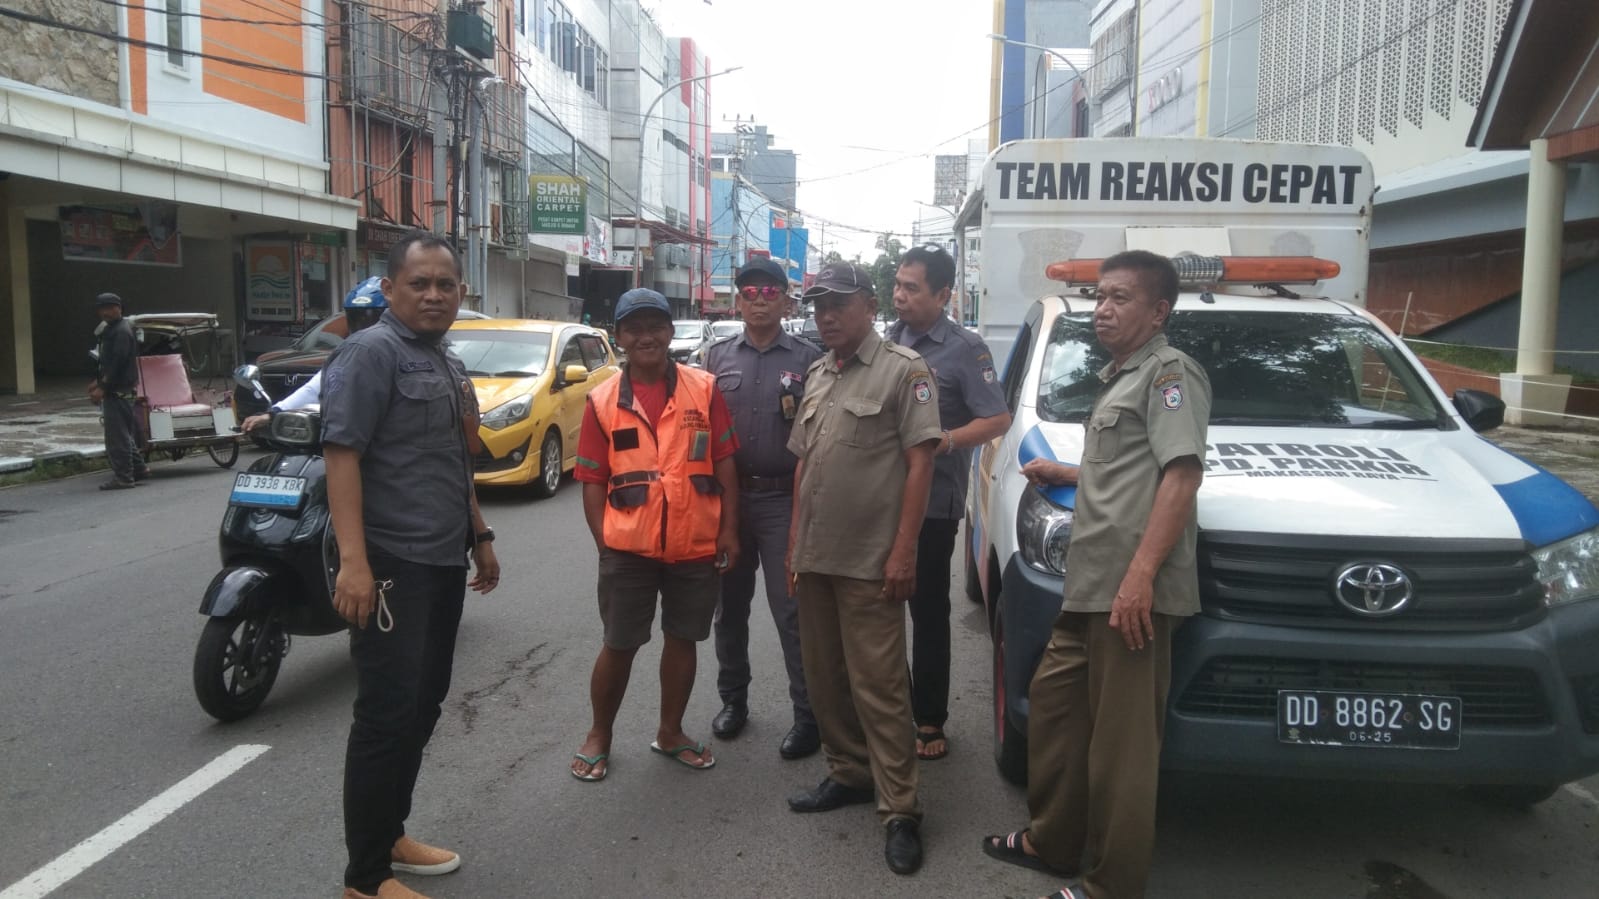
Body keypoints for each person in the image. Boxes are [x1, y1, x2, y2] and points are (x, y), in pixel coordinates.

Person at [982, 250, 1211, 899]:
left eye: (1119, 298)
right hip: (1089, 587)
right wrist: (1068, 473)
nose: (1103, 309)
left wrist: (1140, 576)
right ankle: (1052, 841)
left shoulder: (1169, 374)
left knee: (1121, 750)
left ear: (1158, 311)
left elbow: (1181, 475)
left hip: (1130, 595)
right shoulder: (1121, 377)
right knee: (1054, 707)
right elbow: (1129, 469)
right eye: (1100, 297)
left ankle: (1111, 885)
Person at [321, 231, 501, 899]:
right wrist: (354, 563)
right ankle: (365, 879)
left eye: (444, 284)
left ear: (461, 292)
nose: (433, 295)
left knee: (423, 704)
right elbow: (341, 455)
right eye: (418, 283)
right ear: (390, 288)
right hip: (391, 559)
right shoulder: (370, 353)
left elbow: (454, 458)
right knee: (386, 714)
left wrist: (480, 533)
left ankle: (389, 832)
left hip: (442, 557)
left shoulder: (444, 359)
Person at [783, 262, 943, 876]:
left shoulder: (905, 370)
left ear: (869, 306)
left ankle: (900, 809)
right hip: (816, 556)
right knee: (826, 678)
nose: (826, 315)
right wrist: (794, 544)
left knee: (880, 686)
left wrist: (904, 551)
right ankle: (849, 773)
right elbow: (805, 463)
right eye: (819, 305)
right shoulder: (819, 373)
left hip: (870, 561)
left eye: (839, 304)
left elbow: (921, 463)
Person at [569, 287, 740, 782]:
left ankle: (671, 732)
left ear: (669, 332)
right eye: (634, 329)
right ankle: (599, 734)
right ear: (619, 337)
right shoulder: (602, 400)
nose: (646, 337)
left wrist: (729, 530)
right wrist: (604, 544)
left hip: (695, 543)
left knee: (683, 639)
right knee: (619, 643)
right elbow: (592, 479)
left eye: (655, 327)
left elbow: (724, 461)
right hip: (628, 549)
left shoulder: (703, 389)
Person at [885, 244, 1011, 761]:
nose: (899, 296)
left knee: (928, 611)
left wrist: (946, 441)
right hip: (881, 499)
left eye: (911, 288)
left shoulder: (964, 348)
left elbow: (997, 418)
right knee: (877, 610)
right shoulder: (888, 339)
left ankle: (930, 718)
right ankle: (887, 709)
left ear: (942, 295)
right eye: (897, 285)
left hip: (934, 503)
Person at [704, 258, 823, 759]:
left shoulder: (809, 359)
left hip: (782, 500)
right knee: (729, 610)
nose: (758, 300)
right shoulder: (715, 358)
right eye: (749, 292)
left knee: (791, 611)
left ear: (785, 300)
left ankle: (807, 716)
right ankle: (733, 701)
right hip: (729, 501)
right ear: (738, 300)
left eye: (769, 292)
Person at [240, 277, 388, 432]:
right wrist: (273, 413)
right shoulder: (344, 357)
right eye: (357, 319)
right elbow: (314, 389)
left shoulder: (399, 352)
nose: (363, 329)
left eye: (371, 320)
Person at [88, 292, 150, 490]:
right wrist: (97, 382)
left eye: (109, 308)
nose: (105, 312)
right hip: (119, 389)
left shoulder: (121, 331)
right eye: (101, 309)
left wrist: (102, 387)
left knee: (117, 438)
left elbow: (117, 363)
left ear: (119, 308)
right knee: (123, 434)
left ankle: (124, 477)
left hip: (118, 391)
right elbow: (107, 362)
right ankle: (139, 469)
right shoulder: (112, 329)